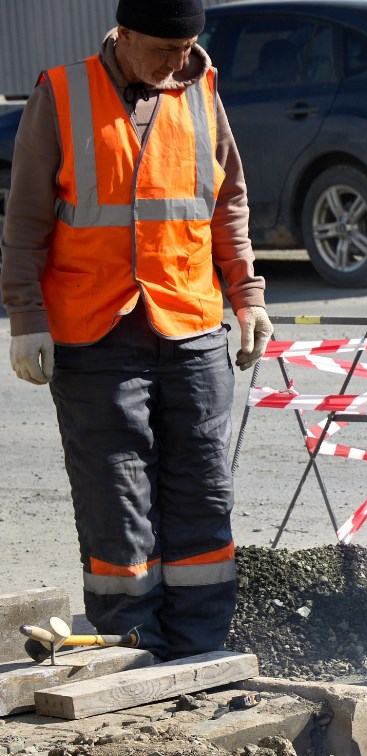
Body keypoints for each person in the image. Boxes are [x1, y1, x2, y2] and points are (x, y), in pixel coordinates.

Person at [0, 0, 272, 661]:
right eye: (162, 51)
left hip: (191, 324)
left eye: (186, 49)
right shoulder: (60, 94)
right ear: (122, 36)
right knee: (117, 501)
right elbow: (27, 217)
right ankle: (133, 649)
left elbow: (227, 202)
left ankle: (201, 647)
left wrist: (248, 297)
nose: (176, 63)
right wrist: (26, 317)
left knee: (203, 492)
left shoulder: (202, 89)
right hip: (96, 334)